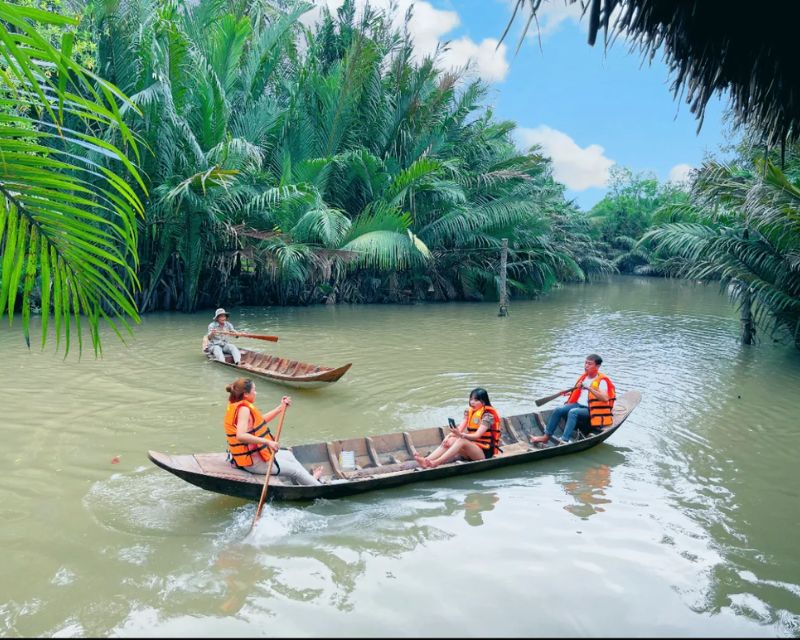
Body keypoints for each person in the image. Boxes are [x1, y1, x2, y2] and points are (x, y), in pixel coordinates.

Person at [223, 377, 323, 485]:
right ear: (246, 394)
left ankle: (310, 481)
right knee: (296, 471)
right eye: (254, 390)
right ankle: (318, 486)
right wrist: (267, 442)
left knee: (289, 456)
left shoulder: (236, 405)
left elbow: (260, 422)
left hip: (256, 456)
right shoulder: (244, 409)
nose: (256, 393)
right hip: (254, 462)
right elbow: (240, 436)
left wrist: (280, 408)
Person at [530, 353, 616, 446]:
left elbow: (605, 398)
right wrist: (568, 393)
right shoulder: (584, 377)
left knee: (573, 412)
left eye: (590, 364)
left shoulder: (601, 380)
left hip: (591, 409)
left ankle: (564, 440)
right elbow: (580, 394)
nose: (586, 366)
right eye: (586, 363)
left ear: (597, 366)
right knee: (558, 409)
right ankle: (546, 437)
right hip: (579, 405)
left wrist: (589, 388)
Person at [414, 388, 502, 469]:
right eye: (471, 399)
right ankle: (426, 461)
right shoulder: (469, 412)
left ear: (483, 402)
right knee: (450, 440)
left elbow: (477, 435)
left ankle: (436, 462)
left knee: (461, 440)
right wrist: (449, 436)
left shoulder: (488, 416)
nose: (472, 402)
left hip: (484, 453)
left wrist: (460, 435)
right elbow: (460, 428)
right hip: (472, 449)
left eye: (476, 400)